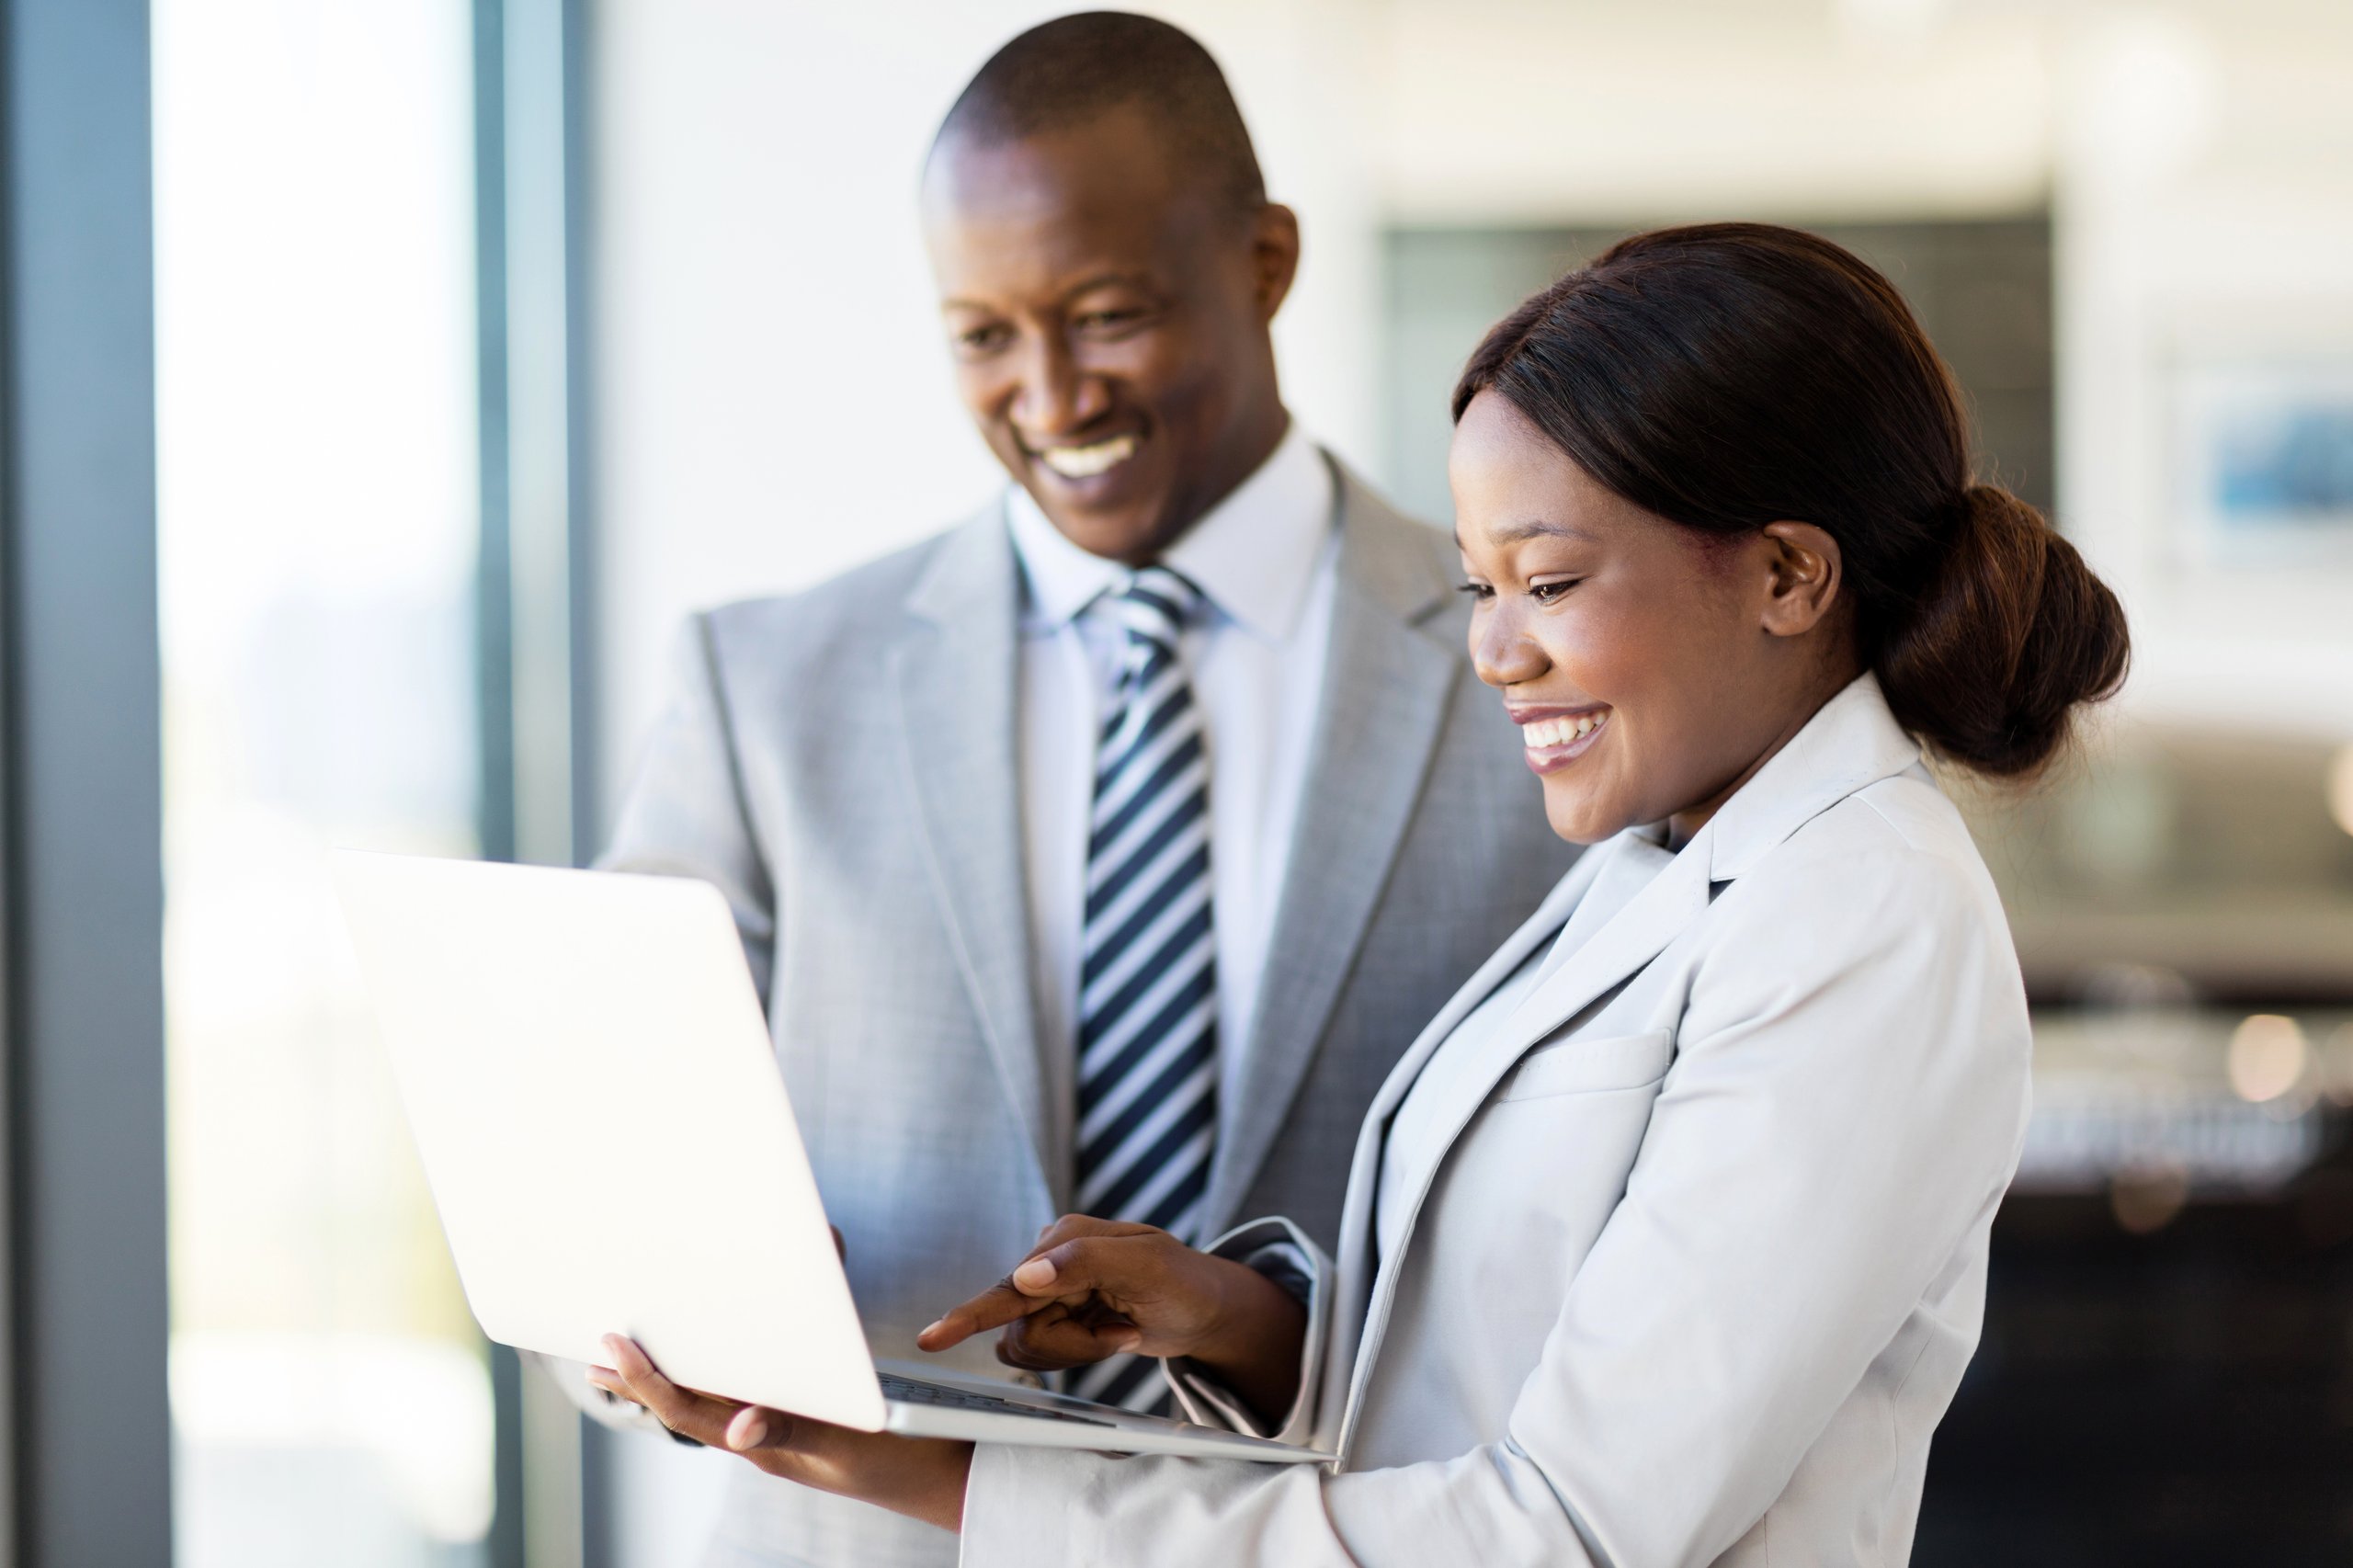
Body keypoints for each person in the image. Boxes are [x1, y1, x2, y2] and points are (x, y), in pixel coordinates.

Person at [592, 222, 2131, 1566]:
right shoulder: (1660, 862)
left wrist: (955, 1481)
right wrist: (1242, 1324)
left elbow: (1561, 1527)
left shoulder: (1864, 917)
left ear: (1791, 575)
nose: (1494, 652)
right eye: (1477, 586)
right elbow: (1512, 1368)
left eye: (1549, 581)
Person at [560, 13, 1573, 1567]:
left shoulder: (1536, 669)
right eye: (982, 336)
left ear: (1265, 263)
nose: (1050, 396)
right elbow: (595, 1162)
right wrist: (657, 1297)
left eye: (1107, 317)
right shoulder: (764, 685)